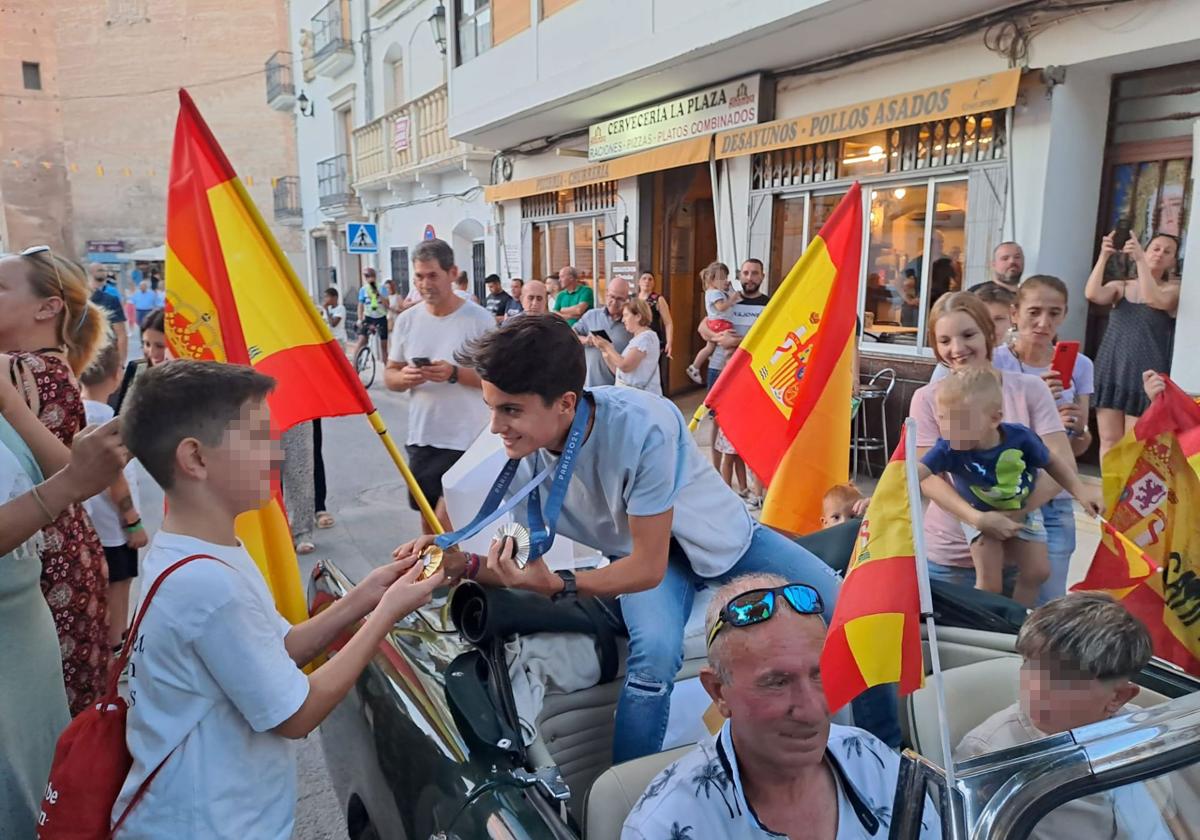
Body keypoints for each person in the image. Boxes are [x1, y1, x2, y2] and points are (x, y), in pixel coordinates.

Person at [394, 315, 900, 763]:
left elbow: (646, 568)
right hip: (643, 554)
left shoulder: (645, 425)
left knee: (852, 615)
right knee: (653, 659)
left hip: (723, 542)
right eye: (491, 407)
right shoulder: (527, 439)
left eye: (508, 410)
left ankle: (889, 753)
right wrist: (460, 561)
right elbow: (527, 551)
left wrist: (562, 585)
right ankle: (629, 801)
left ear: (566, 403)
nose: (495, 426)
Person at [113, 360, 443, 838]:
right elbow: (296, 713)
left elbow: (278, 648)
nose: (277, 457)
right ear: (196, 459)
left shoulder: (202, 546)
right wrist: (388, 615)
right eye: (259, 438)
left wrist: (370, 594)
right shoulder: (208, 585)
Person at [623, 573, 939, 839]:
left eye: (820, 674)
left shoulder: (874, 761)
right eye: (777, 683)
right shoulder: (664, 826)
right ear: (719, 692)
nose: (813, 709)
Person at [0, 365, 127, 834]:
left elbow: (70, 475)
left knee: (43, 791)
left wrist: (10, 403)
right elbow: (68, 484)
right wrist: (71, 484)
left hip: (28, 634)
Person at [956, 593, 1196, 838]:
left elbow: (1168, 815)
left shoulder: (1144, 733)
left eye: (1062, 679)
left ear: (1118, 697)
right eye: (1030, 665)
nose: (1035, 687)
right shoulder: (987, 755)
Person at [0, 248, 113, 716]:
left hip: (41, 552)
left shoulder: (17, 369)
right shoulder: (56, 365)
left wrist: (12, 406)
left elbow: (65, 470)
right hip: (69, 545)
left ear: (48, 308)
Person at [910, 293, 1084, 593]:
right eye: (945, 340)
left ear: (989, 334)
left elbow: (1060, 463)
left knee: (1030, 636)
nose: (957, 349)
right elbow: (927, 479)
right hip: (949, 554)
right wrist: (978, 520)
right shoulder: (927, 398)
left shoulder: (1030, 389)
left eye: (968, 335)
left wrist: (1007, 517)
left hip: (1023, 549)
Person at [917, 368, 1099, 607]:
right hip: (980, 515)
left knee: (1038, 571)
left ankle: (1016, 620)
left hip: (1022, 507)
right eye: (943, 419)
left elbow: (1055, 463)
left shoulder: (1020, 438)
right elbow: (914, 474)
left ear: (994, 418)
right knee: (990, 583)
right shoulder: (948, 447)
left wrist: (1080, 492)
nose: (950, 430)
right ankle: (988, 626)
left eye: (962, 422)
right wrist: (884, 495)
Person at [993, 275, 1094, 603]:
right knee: (1003, 598)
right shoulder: (996, 361)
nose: (1043, 322)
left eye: (1054, 313)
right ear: (1015, 313)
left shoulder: (1080, 366)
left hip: (1056, 500)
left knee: (1050, 603)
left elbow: (1077, 447)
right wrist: (1039, 405)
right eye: (1034, 311)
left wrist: (1077, 428)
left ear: (1064, 315)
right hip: (1006, 497)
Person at [384, 239, 494, 533]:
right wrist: (404, 377)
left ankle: (460, 574)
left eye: (432, 275)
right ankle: (441, 577)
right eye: (419, 276)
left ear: (452, 273)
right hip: (424, 437)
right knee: (429, 523)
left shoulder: (480, 320)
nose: (424, 284)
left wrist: (454, 373)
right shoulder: (407, 320)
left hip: (469, 438)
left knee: (448, 521)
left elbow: (497, 381)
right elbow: (390, 375)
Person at [1086, 231, 1180, 459]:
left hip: (1146, 374)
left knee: (1135, 442)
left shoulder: (1173, 290)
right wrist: (1104, 255)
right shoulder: (1121, 286)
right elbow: (1092, 293)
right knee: (1109, 439)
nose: (1160, 254)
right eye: (1155, 248)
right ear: (1146, 250)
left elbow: (1153, 299)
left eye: (1167, 252)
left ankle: (1128, 493)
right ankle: (1111, 493)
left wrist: (1140, 262)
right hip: (1112, 367)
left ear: (1173, 261)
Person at [79, 341, 147, 649]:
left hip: (92, 526)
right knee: (119, 591)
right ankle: (116, 651)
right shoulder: (106, 420)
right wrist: (132, 520)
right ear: (117, 375)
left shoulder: (78, 412)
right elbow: (114, 476)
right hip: (115, 529)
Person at [701, 259, 771, 498]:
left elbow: (771, 338)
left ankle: (754, 482)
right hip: (722, 370)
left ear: (762, 276)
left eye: (755, 274)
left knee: (752, 427)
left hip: (753, 375)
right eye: (746, 273)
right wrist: (718, 338)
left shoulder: (770, 305)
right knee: (718, 422)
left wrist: (737, 343)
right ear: (740, 275)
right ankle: (718, 474)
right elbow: (703, 326)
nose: (749, 277)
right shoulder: (727, 297)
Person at [573, 277, 632, 388]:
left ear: (627, 299)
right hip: (589, 386)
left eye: (620, 299)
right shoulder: (591, 315)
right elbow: (571, 334)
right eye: (612, 297)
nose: (614, 302)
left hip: (617, 389)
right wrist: (586, 340)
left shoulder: (630, 322)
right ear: (606, 294)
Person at [594, 298, 662, 395]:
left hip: (641, 398)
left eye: (626, 315)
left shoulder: (645, 338)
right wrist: (605, 351)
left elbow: (625, 366)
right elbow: (620, 372)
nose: (623, 320)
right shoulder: (638, 339)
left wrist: (609, 348)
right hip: (631, 395)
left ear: (638, 316)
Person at [686, 262, 738, 384]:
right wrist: (732, 300)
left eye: (726, 277)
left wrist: (729, 289)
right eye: (721, 278)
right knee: (729, 344)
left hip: (713, 323)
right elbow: (721, 307)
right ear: (712, 280)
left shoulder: (713, 292)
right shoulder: (715, 293)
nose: (725, 280)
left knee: (709, 347)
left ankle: (695, 366)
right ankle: (726, 367)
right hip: (721, 324)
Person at [89, 262, 128, 364]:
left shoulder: (112, 294)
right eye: (100, 270)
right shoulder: (78, 299)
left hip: (106, 352)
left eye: (104, 270)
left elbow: (121, 333)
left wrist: (121, 362)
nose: (104, 272)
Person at [354, 267, 390, 363]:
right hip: (368, 317)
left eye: (370, 276)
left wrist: (379, 294)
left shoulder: (382, 288)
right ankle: (354, 365)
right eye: (367, 276)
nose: (369, 278)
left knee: (384, 345)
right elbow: (360, 305)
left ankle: (387, 368)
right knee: (361, 340)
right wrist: (359, 318)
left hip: (381, 317)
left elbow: (387, 305)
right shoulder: (363, 289)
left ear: (374, 277)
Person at [636, 271, 674, 359]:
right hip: (636, 338)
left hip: (652, 339)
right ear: (639, 282)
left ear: (654, 283)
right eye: (644, 278)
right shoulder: (633, 299)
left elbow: (668, 323)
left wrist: (669, 342)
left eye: (650, 279)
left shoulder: (658, 299)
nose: (647, 281)